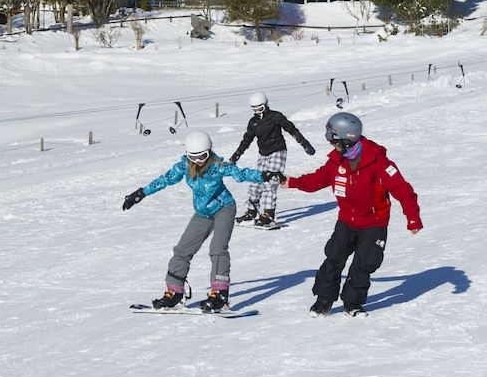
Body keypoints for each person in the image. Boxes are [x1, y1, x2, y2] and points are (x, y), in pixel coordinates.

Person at [280, 112, 422, 317]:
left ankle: (353, 303)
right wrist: (292, 182)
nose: (332, 146)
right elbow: (317, 180)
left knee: (364, 263)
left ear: (347, 140)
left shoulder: (379, 163)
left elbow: (403, 191)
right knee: (333, 258)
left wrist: (413, 218)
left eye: (334, 141)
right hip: (347, 220)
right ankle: (324, 300)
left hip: (374, 222)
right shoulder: (336, 161)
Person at [123, 130, 283, 312]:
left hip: (224, 208)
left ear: (209, 152)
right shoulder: (184, 166)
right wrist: (141, 193)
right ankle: (174, 292)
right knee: (182, 250)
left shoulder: (217, 165)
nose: (198, 161)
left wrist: (264, 175)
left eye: (202, 156)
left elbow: (240, 174)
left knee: (217, 249)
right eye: (194, 157)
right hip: (202, 213)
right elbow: (165, 179)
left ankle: (219, 295)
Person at [230, 92, 315, 227]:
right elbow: (246, 140)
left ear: (266, 105)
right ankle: (251, 213)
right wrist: (237, 155)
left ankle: (268, 215)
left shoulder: (275, 116)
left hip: (278, 151)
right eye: (255, 109)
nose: (258, 112)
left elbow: (291, 129)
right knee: (255, 182)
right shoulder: (253, 122)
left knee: (270, 182)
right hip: (263, 154)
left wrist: (305, 144)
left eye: (260, 108)